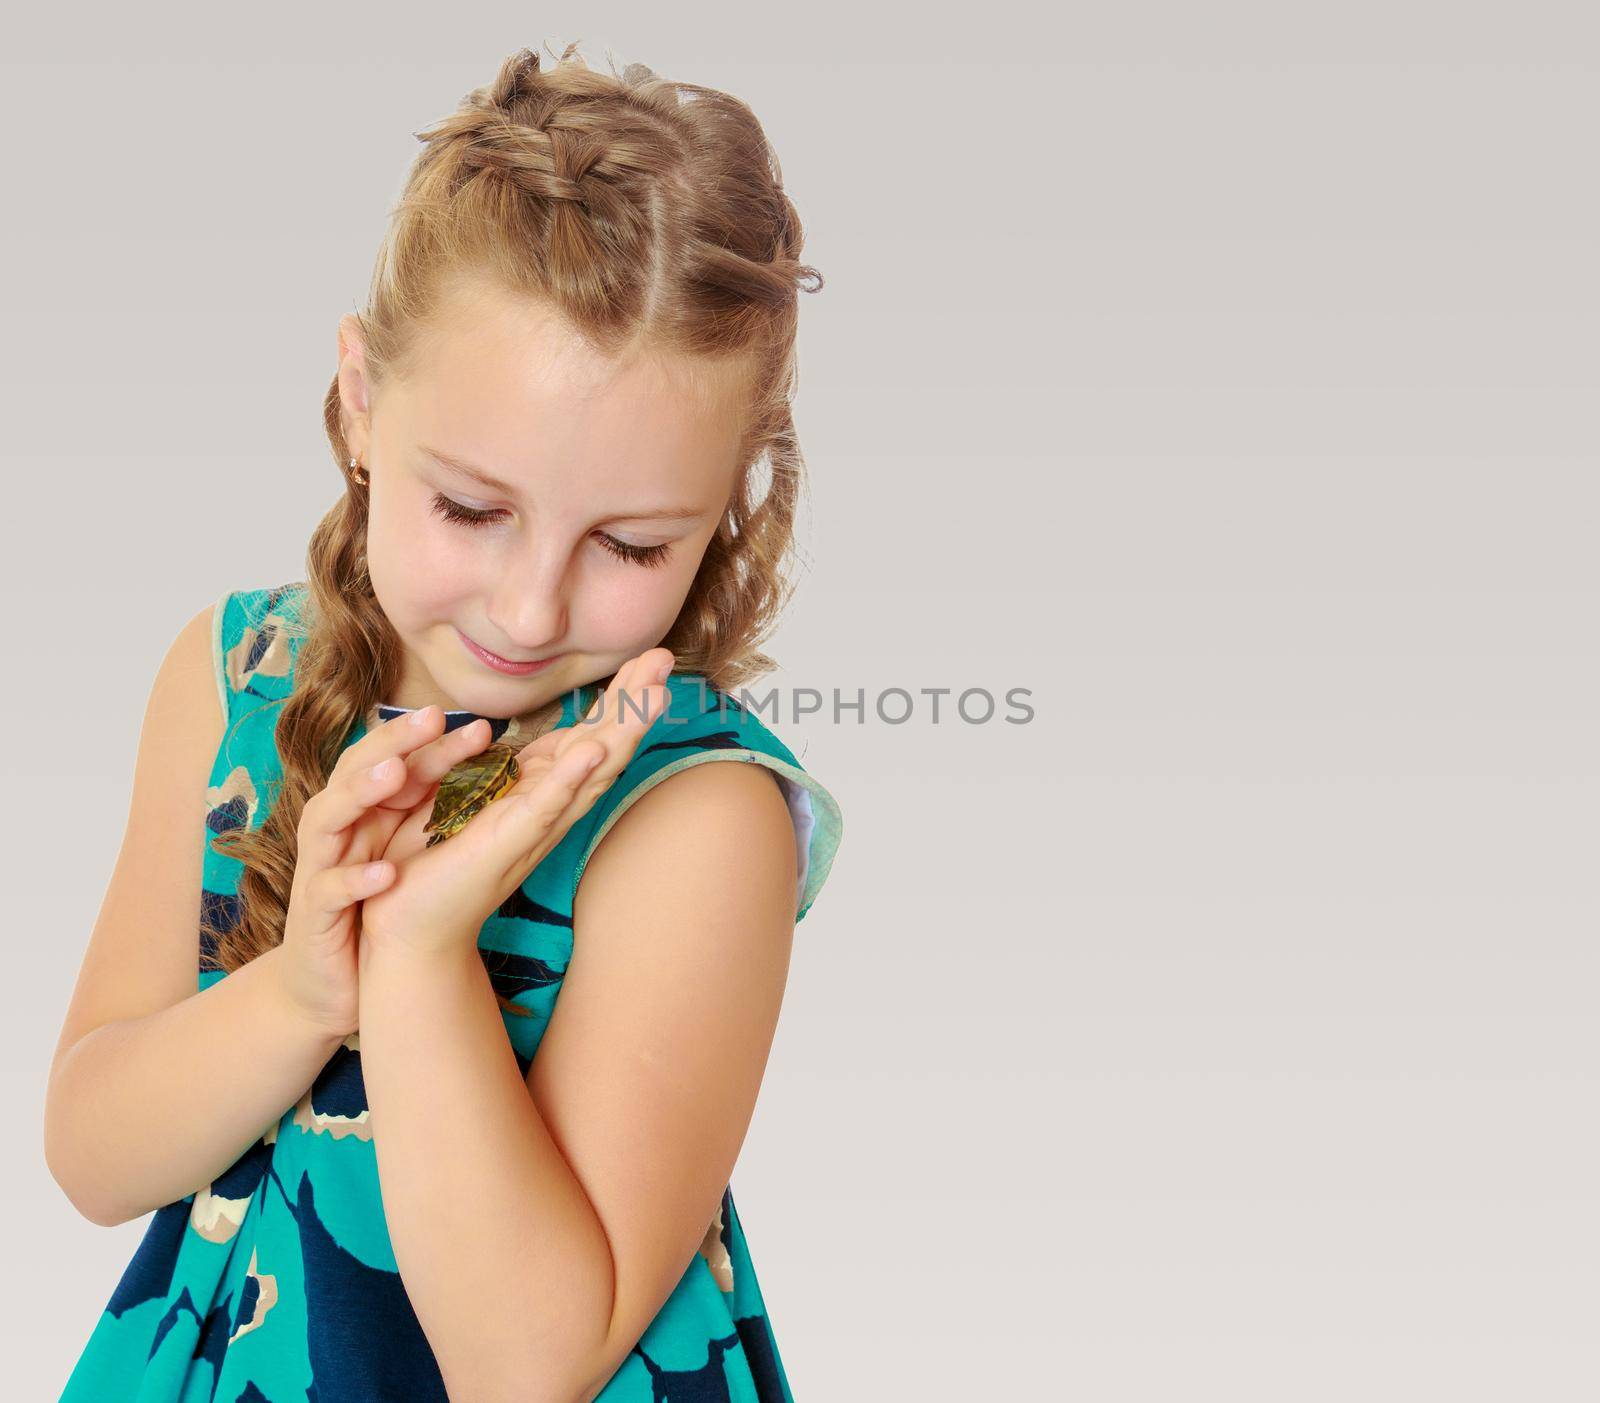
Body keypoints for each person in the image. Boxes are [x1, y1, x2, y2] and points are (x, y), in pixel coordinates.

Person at [45, 42, 844, 1403]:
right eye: (473, 509)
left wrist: (416, 954)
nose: (532, 609)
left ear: (727, 504)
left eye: (634, 544)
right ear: (363, 406)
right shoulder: (233, 676)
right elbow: (93, 1157)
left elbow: (530, 1362)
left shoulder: (696, 813)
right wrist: (304, 986)